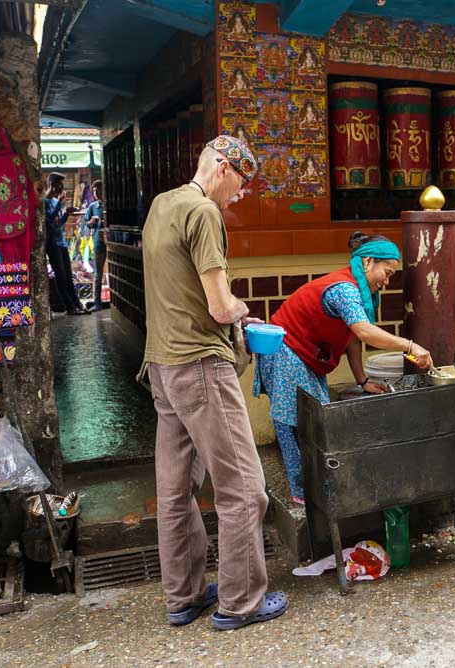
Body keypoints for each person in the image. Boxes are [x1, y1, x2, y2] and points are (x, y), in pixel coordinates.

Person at [141, 135, 288, 631]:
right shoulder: (204, 213)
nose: (240, 196)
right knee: (245, 487)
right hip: (202, 365)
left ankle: (182, 597)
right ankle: (240, 600)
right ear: (223, 168)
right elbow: (219, 305)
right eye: (241, 184)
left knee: (176, 489)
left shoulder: (163, 204)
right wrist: (244, 312)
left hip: (162, 367)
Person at [254, 232, 434, 505]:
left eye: (391, 276)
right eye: (386, 273)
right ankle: (304, 494)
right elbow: (364, 332)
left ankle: (319, 486)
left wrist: (362, 381)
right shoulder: (345, 289)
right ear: (368, 262)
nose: (386, 282)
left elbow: (351, 339)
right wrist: (411, 346)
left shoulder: (361, 291)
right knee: (295, 423)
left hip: (307, 353)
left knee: (315, 420)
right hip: (286, 350)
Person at [44, 172, 87, 315]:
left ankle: (77, 304)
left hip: (61, 243)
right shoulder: (45, 202)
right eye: (59, 184)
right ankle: (69, 307)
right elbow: (49, 220)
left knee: (68, 275)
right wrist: (59, 204)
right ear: (52, 185)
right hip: (52, 244)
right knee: (61, 275)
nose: (62, 187)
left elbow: (58, 223)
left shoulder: (55, 202)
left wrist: (67, 213)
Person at [84, 180, 107, 310]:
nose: (97, 193)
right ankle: (97, 302)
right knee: (98, 274)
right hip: (99, 243)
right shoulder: (93, 207)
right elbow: (86, 224)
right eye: (94, 191)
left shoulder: (110, 204)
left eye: (99, 190)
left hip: (112, 241)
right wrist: (91, 222)